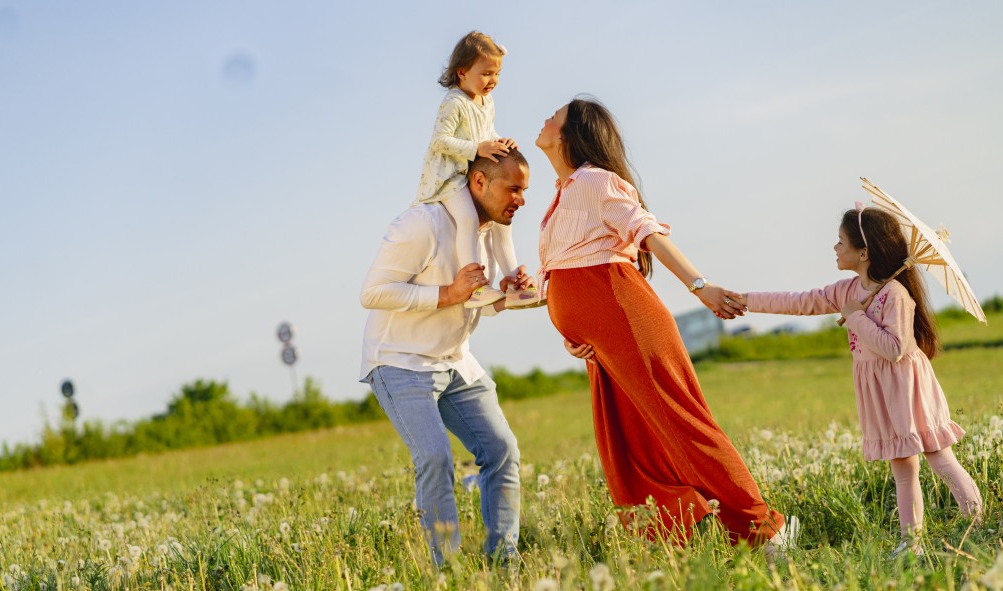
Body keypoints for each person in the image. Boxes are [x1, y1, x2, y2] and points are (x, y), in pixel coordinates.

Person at [534, 96, 795, 555]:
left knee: (681, 423)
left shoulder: (594, 180)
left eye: (554, 116)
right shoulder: (563, 192)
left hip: (628, 320)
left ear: (572, 134)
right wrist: (575, 333)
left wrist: (700, 286)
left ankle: (764, 532)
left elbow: (647, 233)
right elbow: (566, 272)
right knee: (628, 440)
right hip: (605, 340)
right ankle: (685, 531)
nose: (544, 119)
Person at [731, 204, 983, 557]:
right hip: (881, 391)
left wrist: (855, 318)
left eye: (841, 241)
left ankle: (977, 523)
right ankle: (911, 543)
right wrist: (746, 301)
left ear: (864, 252)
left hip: (907, 388)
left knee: (938, 456)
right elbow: (800, 302)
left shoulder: (895, 295)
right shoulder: (847, 290)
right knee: (902, 467)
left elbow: (894, 348)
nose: (835, 248)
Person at [360, 150, 532, 564]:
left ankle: (504, 563)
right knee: (435, 458)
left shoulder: (490, 233)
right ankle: (447, 571)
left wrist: (507, 296)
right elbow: (373, 293)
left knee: (503, 449)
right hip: (399, 360)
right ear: (479, 182)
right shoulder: (421, 224)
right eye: (513, 189)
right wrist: (449, 293)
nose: (521, 200)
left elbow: (476, 302)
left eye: (524, 190)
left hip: (456, 360)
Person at [414, 31, 542, 310]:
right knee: (468, 218)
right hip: (450, 176)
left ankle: (515, 284)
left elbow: (486, 132)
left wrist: (499, 141)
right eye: (486, 74)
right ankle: (475, 287)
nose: (493, 80)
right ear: (462, 72)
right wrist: (477, 149)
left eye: (497, 74)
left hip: (473, 172)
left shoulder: (487, 101)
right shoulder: (454, 102)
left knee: (501, 225)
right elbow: (439, 141)